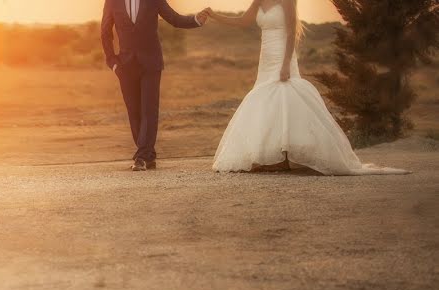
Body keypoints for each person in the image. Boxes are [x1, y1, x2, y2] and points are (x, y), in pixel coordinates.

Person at [204, 0, 408, 175]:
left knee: (285, 97)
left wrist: (285, 65)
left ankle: (283, 159)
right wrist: (214, 15)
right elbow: (243, 21)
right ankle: (275, 157)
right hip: (266, 58)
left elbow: (292, 32)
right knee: (267, 102)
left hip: (282, 56)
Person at [101, 0, 210, 171]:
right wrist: (113, 62)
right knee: (134, 112)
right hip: (125, 66)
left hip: (151, 63)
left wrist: (195, 20)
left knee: (149, 110)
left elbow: (174, 19)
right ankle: (148, 156)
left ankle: (142, 157)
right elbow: (105, 32)